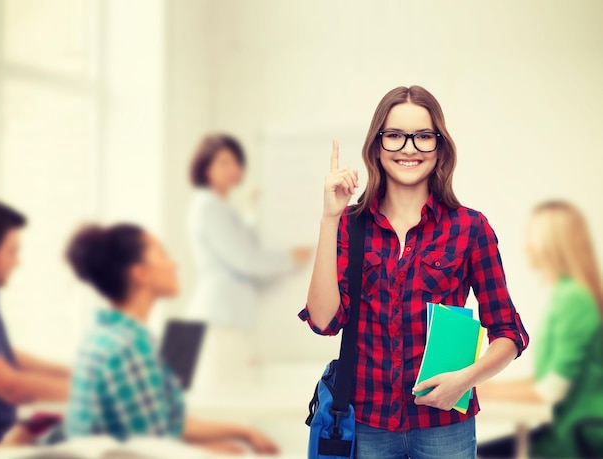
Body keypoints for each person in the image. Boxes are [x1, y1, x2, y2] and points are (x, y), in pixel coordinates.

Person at [299, 85, 529, 459]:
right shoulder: (351, 226)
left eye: (423, 137)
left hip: (445, 429)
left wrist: (464, 381)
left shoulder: (470, 228)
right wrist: (330, 217)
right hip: (366, 426)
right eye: (395, 136)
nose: (409, 148)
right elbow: (324, 321)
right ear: (377, 146)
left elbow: (509, 332)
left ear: (440, 148)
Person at [64, 223, 279, 455]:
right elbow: (150, 449)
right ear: (140, 274)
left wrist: (242, 432)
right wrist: (213, 452)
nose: (173, 263)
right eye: (162, 255)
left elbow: (166, 425)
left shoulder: (105, 335)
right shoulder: (130, 347)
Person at [477, 201, 603, 458]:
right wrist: (478, 385)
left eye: (532, 238)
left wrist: (472, 388)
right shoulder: (567, 295)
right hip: (563, 430)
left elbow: (550, 391)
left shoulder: (574, 299)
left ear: (553, 245)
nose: (526, 247)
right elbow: (544, 379)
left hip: (576, 436)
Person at [187, 134, 312, 386]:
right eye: (223, 162)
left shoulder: (219, 207)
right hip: (217, 321)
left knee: (226, 403)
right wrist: (290, 257)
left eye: (236, 162)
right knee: (222, 407)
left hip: (223, 320)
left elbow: (243, 246)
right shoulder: (208, 206)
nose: (233, 169)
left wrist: (252, 211)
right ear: (205, 166)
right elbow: (246, 259)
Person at [0, 200, 70, 444]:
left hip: (6, 431)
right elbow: (9, 385)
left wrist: (72, 372)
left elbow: (2, 356)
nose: (17, 262)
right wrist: (90, 391)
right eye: (12, 251)